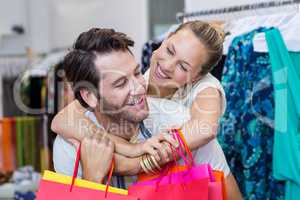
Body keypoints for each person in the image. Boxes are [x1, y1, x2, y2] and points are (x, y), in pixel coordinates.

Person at [52, 24, 243, 199]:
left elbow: (207, 131)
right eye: (120, 83)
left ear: (196, 77)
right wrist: (92, 179)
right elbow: (64, 118)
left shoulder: (181, 119)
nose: (139, 88)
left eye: (136, 73)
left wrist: (137, 163)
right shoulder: (69, 146)